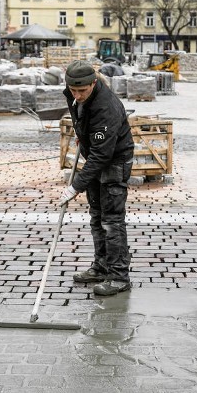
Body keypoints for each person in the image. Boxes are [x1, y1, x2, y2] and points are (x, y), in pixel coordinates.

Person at [60, 60, 135, 296]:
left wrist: (75, 186)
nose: (77, 95)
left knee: (112, 222)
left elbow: (103, 155)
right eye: (73, 90)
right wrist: (84, 133)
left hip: (114, 161)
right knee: (96, 217)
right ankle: (101, 267)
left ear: (94, 83)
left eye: (82, 91)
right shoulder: (74, 94)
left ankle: (119, 276)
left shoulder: (107, 106)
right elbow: (81, 116)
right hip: (96, 155)